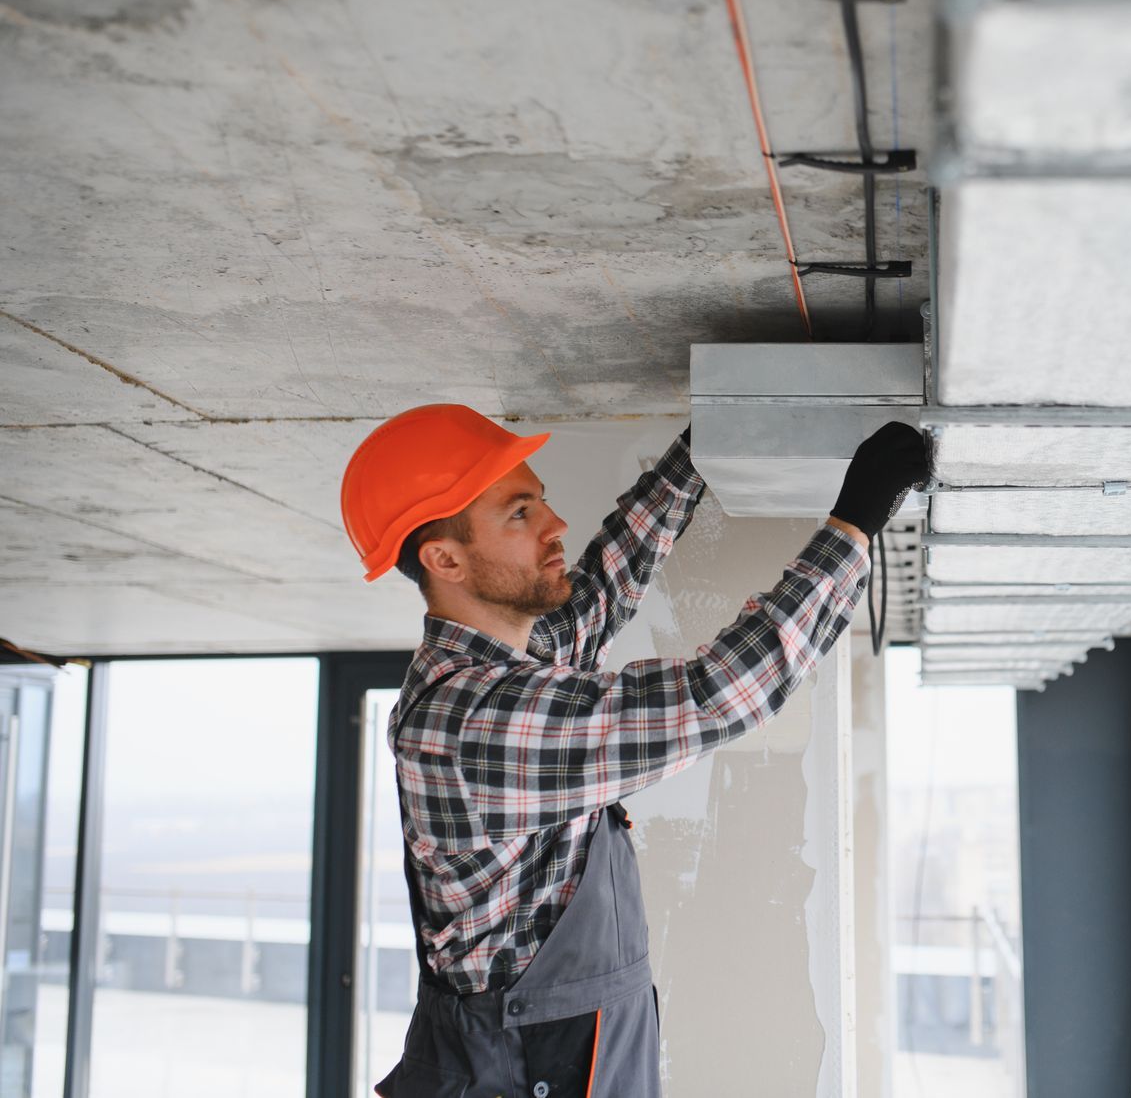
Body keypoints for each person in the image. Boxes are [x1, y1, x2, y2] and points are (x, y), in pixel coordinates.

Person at [338, 405, 928, 1097]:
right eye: (521, 514)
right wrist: (855, 518)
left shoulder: (503, 659)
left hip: (565, 1052)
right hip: (534, 1067)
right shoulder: (475, 723)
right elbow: (716, 694)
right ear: (446, 559)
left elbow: (602, 590)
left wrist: (711, 435)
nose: (555, 524)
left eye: (541, 501)